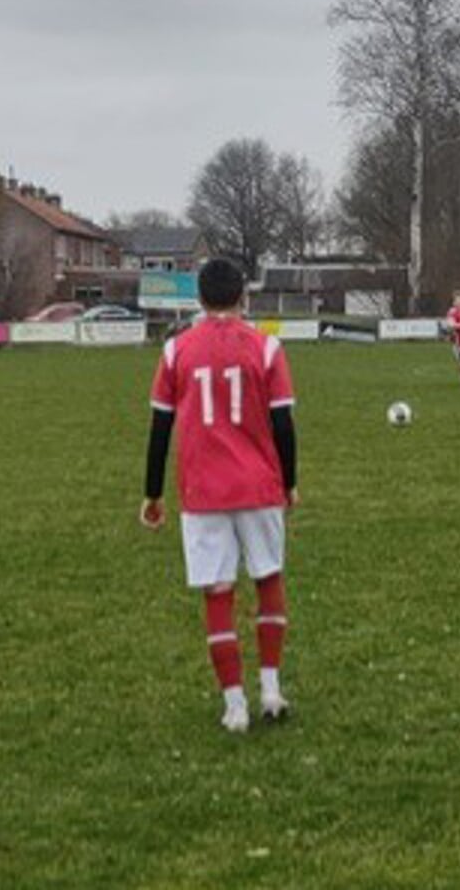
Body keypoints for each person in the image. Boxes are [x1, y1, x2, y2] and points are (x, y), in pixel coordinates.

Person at [142, 257, 299, 734]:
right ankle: (270, 690)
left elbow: (160, 428)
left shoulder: (176, 351)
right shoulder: (267, 348)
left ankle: (235, 706)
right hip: (258, 486)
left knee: (218, 592)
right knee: (268, 579)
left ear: (199, 298)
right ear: (243, 297)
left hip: (203, 490)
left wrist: (152, 494)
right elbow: (283, 424)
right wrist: (289, 482)